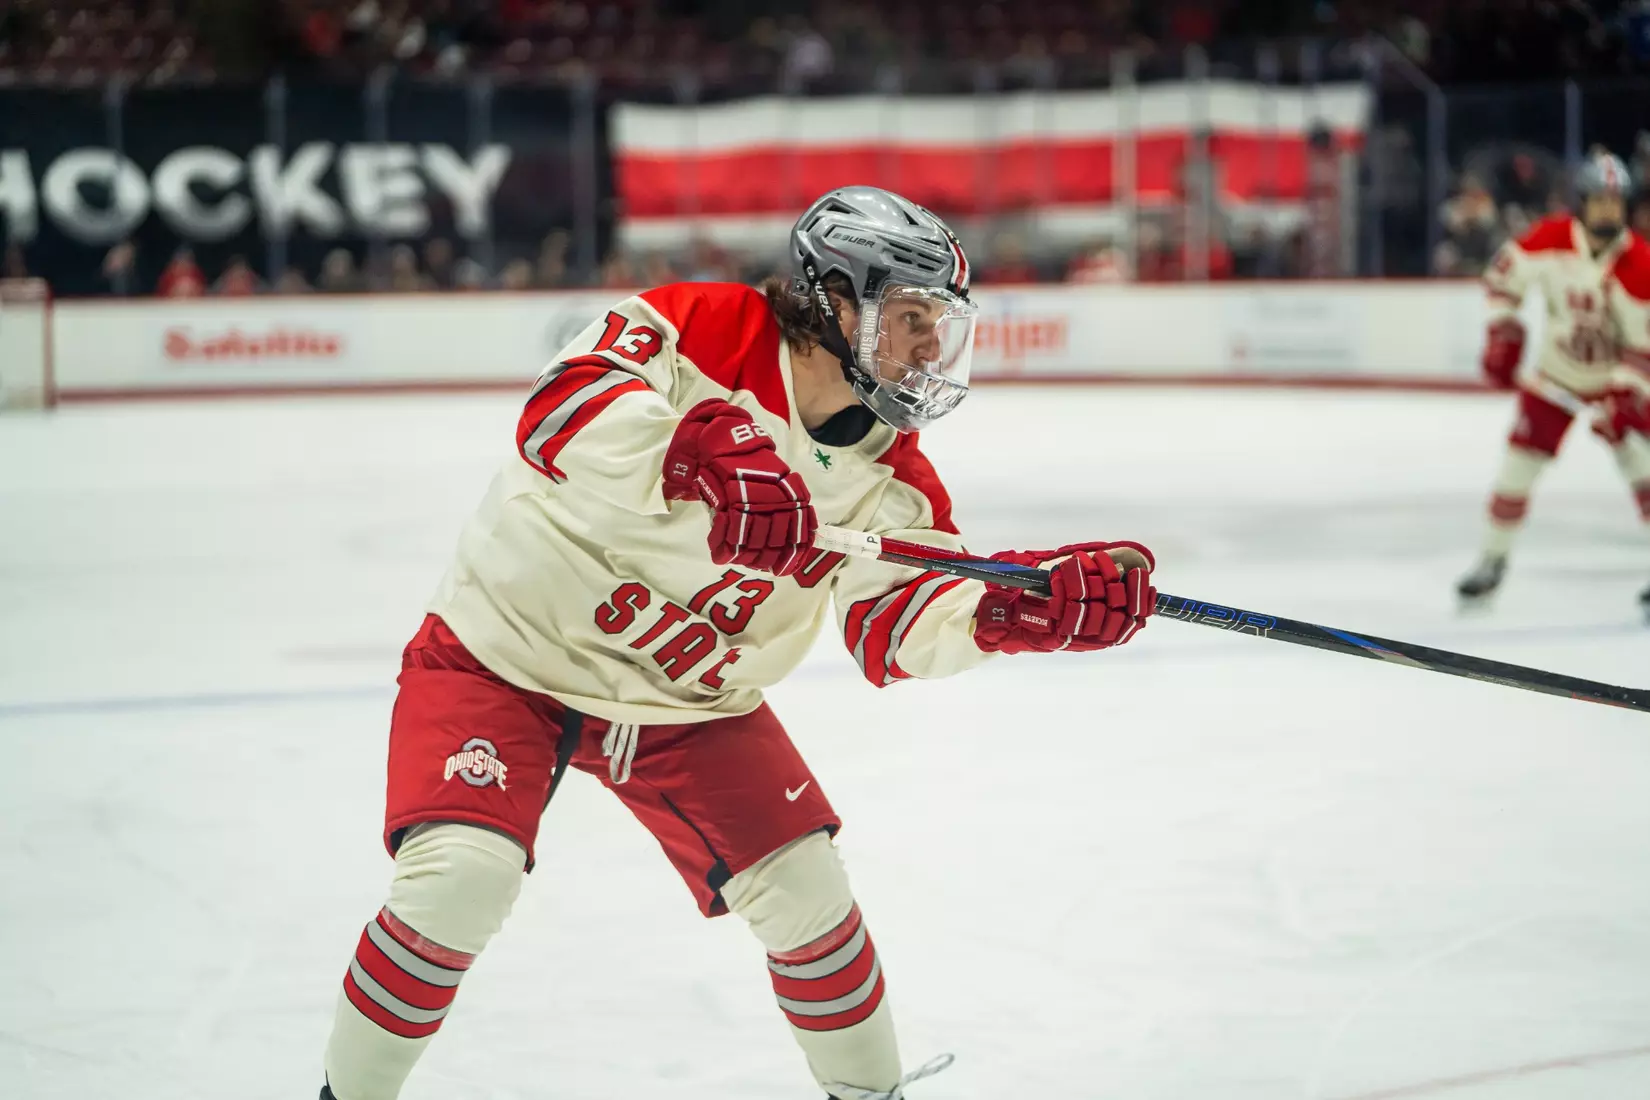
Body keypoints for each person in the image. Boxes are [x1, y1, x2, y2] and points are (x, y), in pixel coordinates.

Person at [315, 185, 1159, 1100]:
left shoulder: (890, 471)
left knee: (812, 904)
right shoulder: (702, 327)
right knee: (456, 885)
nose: (927, 348)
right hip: (505, 654)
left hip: (690, 704)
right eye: (910, 318)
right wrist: (693, 452)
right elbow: (560, 412)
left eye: (938, 324)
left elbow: (900, 623)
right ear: (834, 300)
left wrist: (1017, 613)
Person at [1457, 150, 1650, 613]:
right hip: (1557, 376)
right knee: (1516, 470)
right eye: (1599, 201)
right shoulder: (1549, 237)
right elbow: (1502, 279)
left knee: (1645, 474)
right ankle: (1492, 560)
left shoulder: (1641, 262)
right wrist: (1503, 328)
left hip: (1614, 383)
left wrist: (1626, 395)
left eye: (1615, 201)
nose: (1608, 210)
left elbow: (1643, 345)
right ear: (1581, 201)